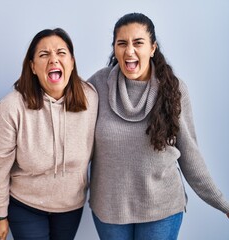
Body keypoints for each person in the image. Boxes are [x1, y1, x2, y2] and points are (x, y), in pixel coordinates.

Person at [88, 12, 229, 240]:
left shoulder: (173, 89)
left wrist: (223, 203)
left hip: (161, 211)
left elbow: (190, 155)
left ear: (153, 48)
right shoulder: (97, 85)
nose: (129, 51)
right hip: (109, 210)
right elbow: (72, 133)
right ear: (114, 48)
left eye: (138, 43)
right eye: (121, 43)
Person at [0, 28, 98, 240]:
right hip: (25, 204)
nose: (53, 60)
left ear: (72, 62)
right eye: (44, 55)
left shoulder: (90, 99)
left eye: (61, 53)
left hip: (70, 206)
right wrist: (0, 214)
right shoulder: (11, 107)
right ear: (32, 67)